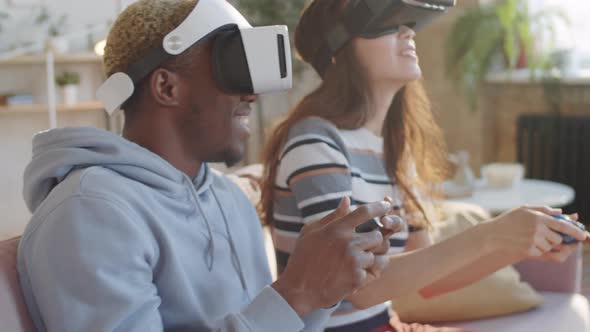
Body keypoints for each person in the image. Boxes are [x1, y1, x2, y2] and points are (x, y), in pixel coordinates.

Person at [16, 1, 401, 331]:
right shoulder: (91, 212)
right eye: (233, 65)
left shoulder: (229, 199)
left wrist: (323, 292)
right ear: (167, 87)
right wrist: (297, 292)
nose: (251, 93)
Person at [261, 1, 587, 331]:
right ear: (337, 49)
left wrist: (516, 244)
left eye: (408, 22)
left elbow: (430, 282)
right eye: (387, 24)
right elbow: (359, 285)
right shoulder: (315, 141)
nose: (408, 31)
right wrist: (491, 233)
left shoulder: (391, 147)